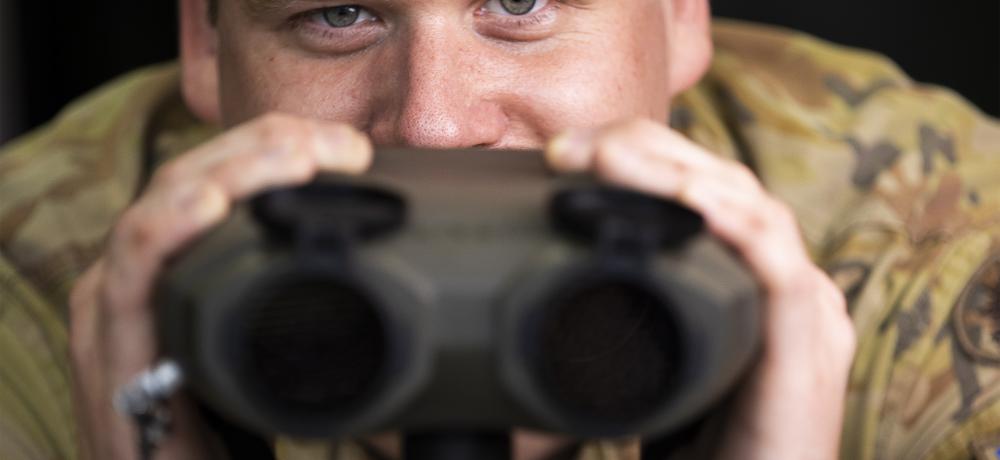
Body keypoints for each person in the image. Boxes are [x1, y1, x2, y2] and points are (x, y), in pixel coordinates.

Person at [0, 0, 998, 458]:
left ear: (680, 18)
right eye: (339, 15)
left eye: (519, 4)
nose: (433, 120)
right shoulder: (40, 278)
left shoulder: (928, 225)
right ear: (205, 45)